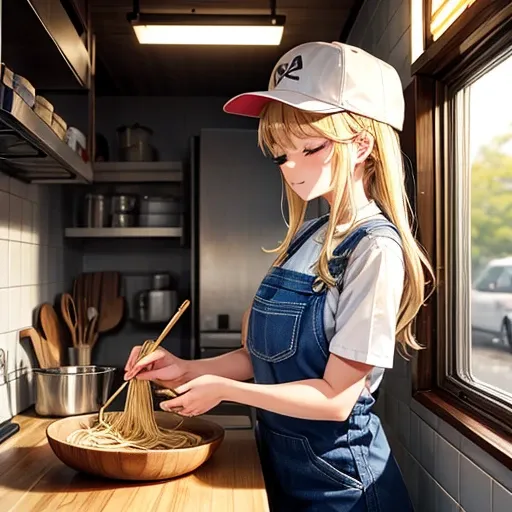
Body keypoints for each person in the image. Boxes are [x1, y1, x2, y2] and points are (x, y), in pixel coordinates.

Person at [124, 41, 433, 511]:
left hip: (343, 485)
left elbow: (335, 399)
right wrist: (186, 370)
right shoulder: (307, 237)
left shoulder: (374, 250)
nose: (290, 167)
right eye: (280, 154)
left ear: (363, 145)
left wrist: (225, 392)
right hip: (282, 466)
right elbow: (261, 357)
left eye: (308, 147)